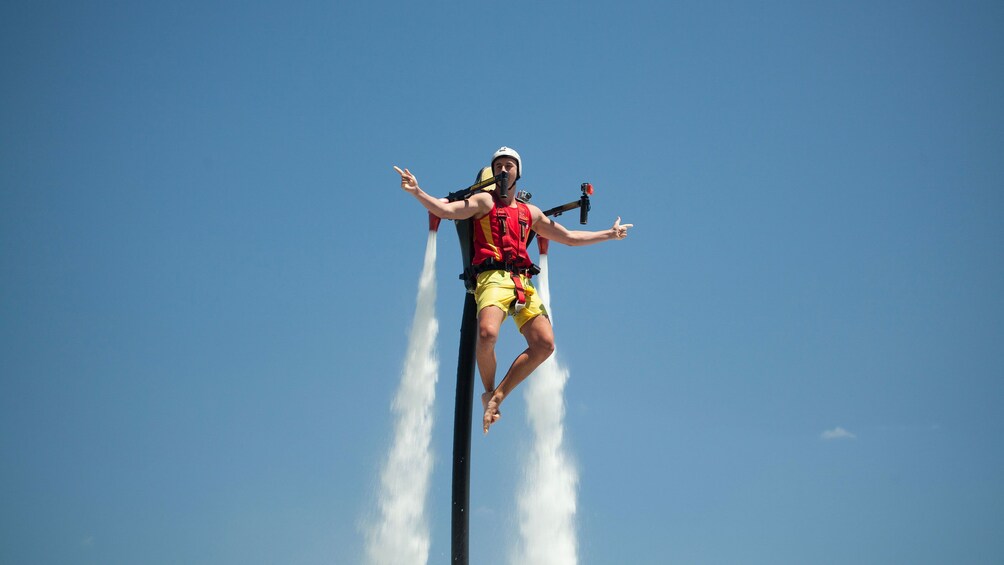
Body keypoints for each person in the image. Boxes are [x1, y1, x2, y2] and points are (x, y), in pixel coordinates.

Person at [394, 147, 633, 434]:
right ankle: (488, 389)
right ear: (492, 174)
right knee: (487, 334)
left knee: (545, 344)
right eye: (499, 167)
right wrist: (417, 192)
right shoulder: (483, 200)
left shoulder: (529, 212)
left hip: (523, 282)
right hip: (492, 277)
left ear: (519, 172)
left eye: (509, 165)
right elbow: (445, 210)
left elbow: (569, 237)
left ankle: (497, 396)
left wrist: (609, 233)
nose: (504, 170)